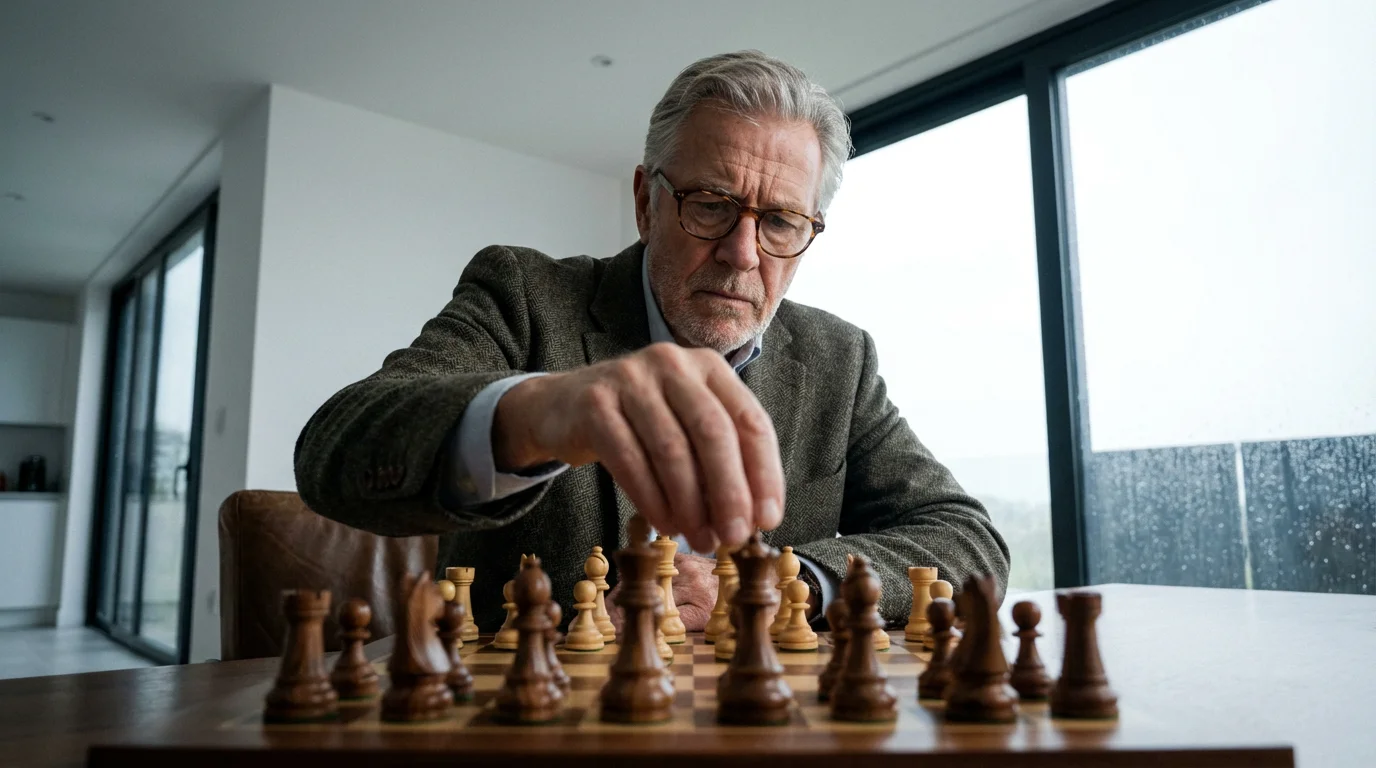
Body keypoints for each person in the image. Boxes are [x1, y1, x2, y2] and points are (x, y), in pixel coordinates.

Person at [294, 50, 1009, 633]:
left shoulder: (839, 358)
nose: (742, 252)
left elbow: (967, 540)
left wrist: (779, 584)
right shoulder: (523, 295)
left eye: (782, 222)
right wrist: (541, 412)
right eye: (710, 205)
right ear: (645, 200)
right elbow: (336, 452)